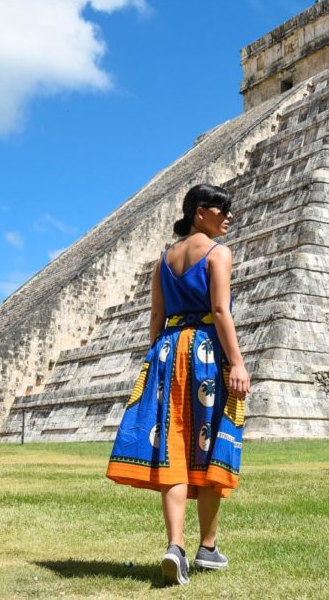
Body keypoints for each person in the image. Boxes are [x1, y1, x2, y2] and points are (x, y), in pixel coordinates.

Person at [106, 183, 250, 586]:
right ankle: (207, 547)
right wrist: (236, 362)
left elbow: (156, 316)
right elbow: (220, 310)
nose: (229, 217)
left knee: (173, 447)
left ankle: (176, 546)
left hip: (167, 353)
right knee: (209, 446)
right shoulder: (219, 253)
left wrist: (156, 361)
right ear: (200, 212)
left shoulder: (163, 260)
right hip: (205, 352)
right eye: (223, 210)